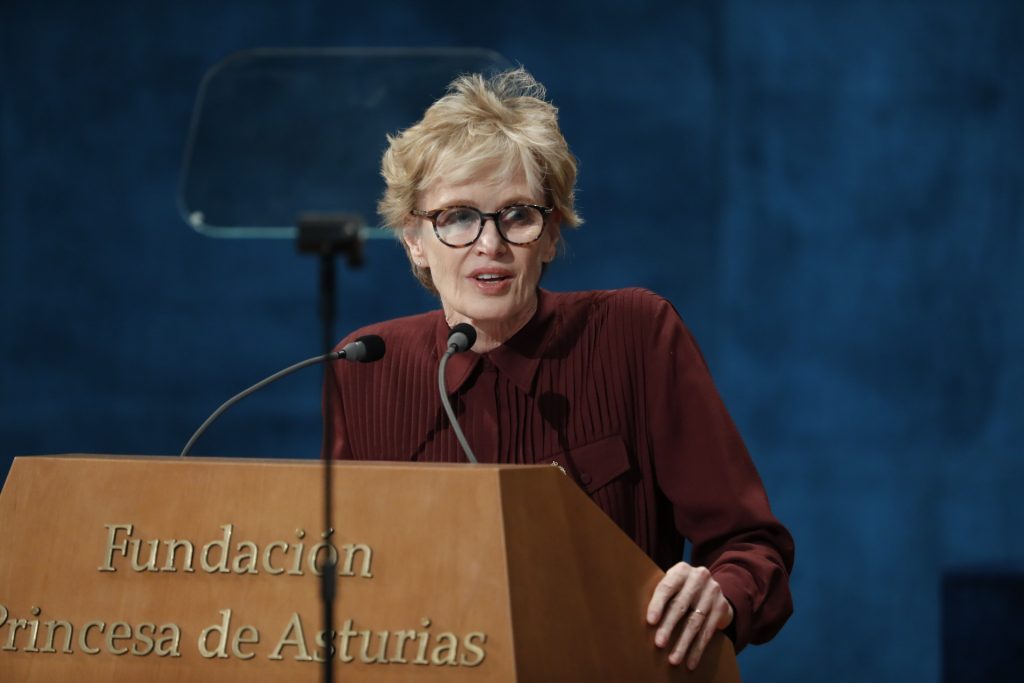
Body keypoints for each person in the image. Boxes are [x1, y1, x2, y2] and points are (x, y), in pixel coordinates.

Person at [322, 68, 794, 670]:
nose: (490, 244)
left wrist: (720, 594)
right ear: (414, 239)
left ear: (549, 236)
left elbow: (751, 546)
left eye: (517, 215)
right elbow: (343, 575)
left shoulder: (635, 334)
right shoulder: (366, 366)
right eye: (458, 216)